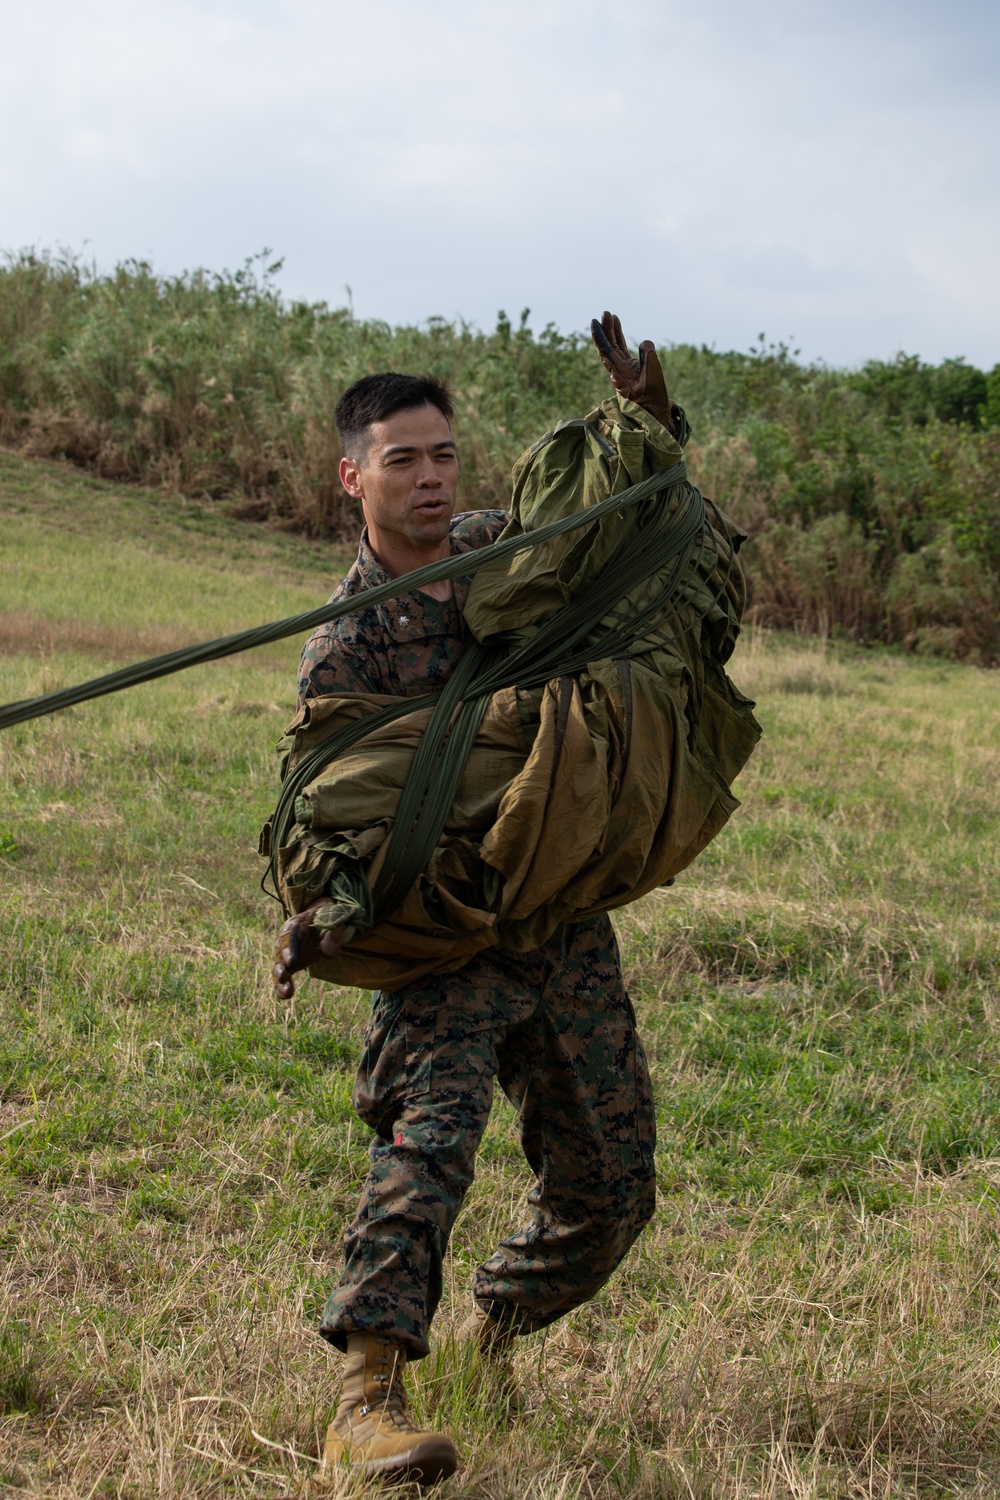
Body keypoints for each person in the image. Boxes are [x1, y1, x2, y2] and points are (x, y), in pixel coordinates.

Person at [273, 316, 669, 1485]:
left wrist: (645, 433)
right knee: (429, 1146)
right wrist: (316, 917)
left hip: (555, 920)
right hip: (445, 937)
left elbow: (616, 537)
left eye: (444, 454)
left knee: (612, 1187)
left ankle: (488, 1333)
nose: (434, 477)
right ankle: (365, 1399)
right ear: (352, 477)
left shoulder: (504, 551)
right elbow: (326, 816)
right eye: (404, 459)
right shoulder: (344, 647)